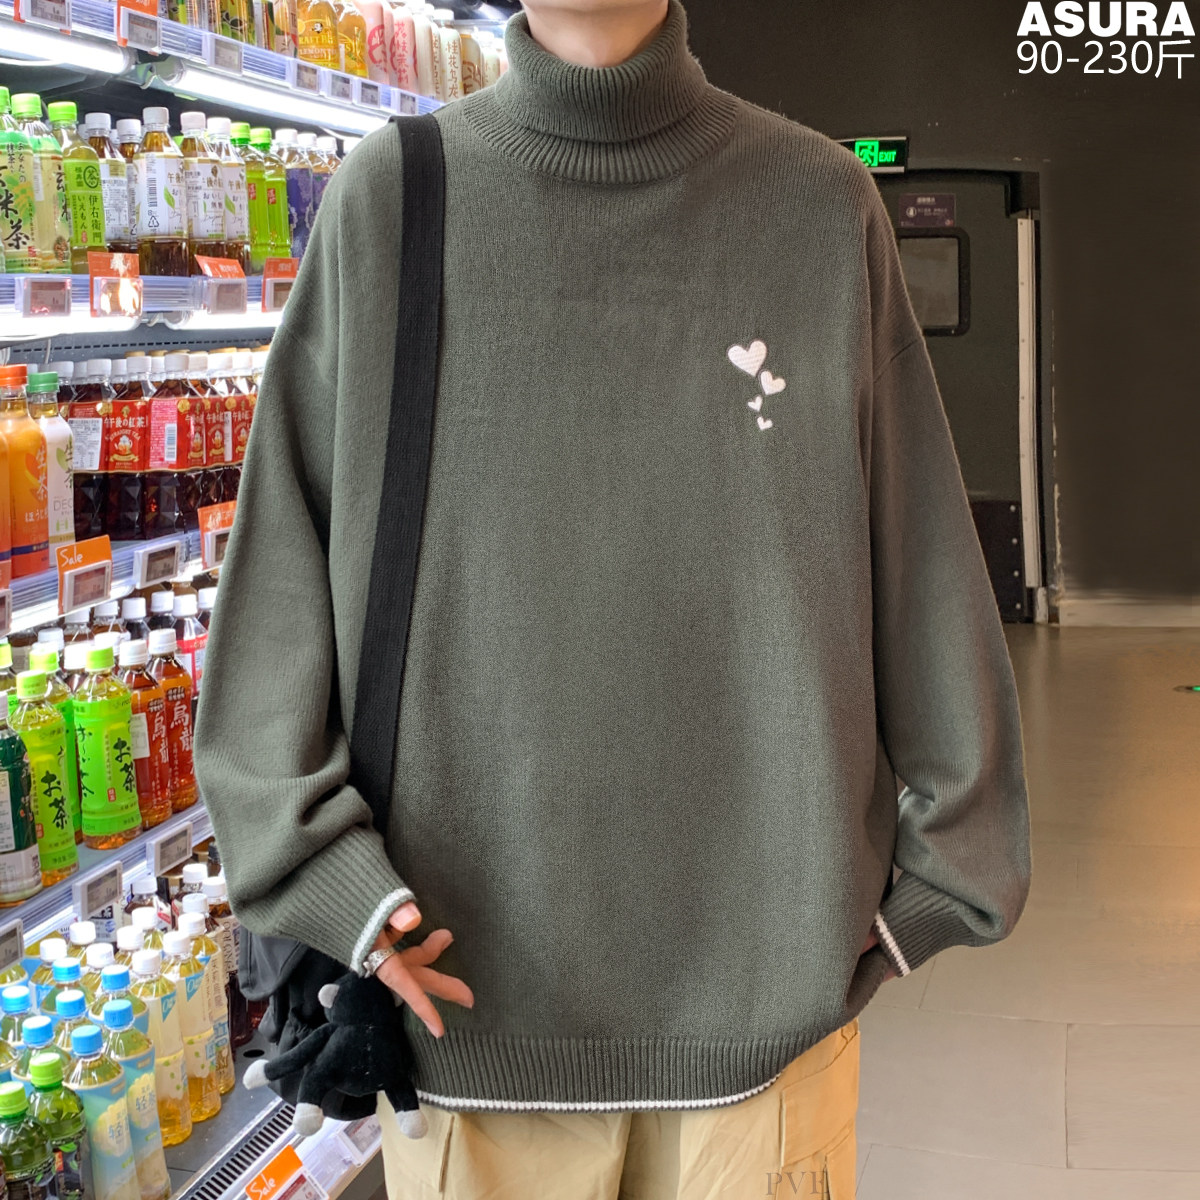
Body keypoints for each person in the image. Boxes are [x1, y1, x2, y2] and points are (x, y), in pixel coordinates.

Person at [193, 0, 1033, 1196]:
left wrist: (943, 875)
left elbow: (921, 557)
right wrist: (327, 875)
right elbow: (277, 581)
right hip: (471, 1020)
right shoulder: (393, 199)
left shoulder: (817, 205)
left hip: (767, 1027)